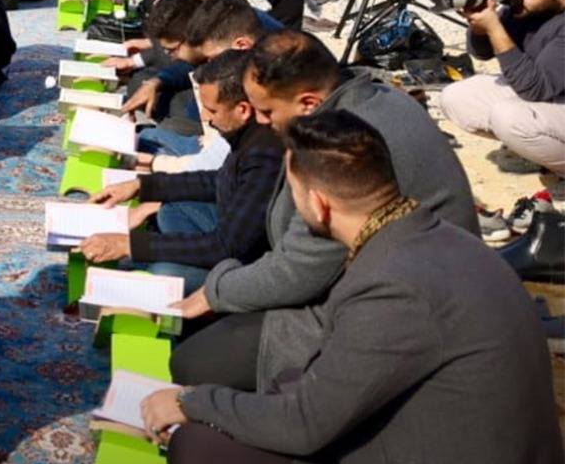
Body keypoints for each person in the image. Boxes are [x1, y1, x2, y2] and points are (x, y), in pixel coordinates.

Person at [143, 110, 563, 464]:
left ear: (319, 203)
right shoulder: (429, 239)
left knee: (198, 449)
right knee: (273, 389)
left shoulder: (392, 282)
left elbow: (304, 425)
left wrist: (191, 402)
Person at [170, 31, 478, 394]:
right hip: (378, 280)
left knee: (191, 361)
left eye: (268, 111)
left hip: (401, 312)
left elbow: (301, 270)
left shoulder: (348, 141)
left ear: (309, 103)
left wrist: (216, 291)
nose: (261, 122)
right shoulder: (366, 99)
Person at [81, 49, 283, 291]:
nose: (206, 119)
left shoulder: (265, 155)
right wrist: (141, 186)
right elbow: (218, 180)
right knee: (171, 208)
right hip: (229, 232)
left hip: (249, 267)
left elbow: (226, 246)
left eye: (212, 110)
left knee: (164, 275)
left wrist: (131, 245)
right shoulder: (250, 135)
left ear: (243, 109)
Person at [438, 0, 565, 174]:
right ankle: (540, 152)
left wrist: (494, 27)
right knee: (456, 97)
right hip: (551, 95)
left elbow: (535, 89)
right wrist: (479, 27)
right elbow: (482, 53)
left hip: (546, 93)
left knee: (509, 117)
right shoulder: (526, 8)